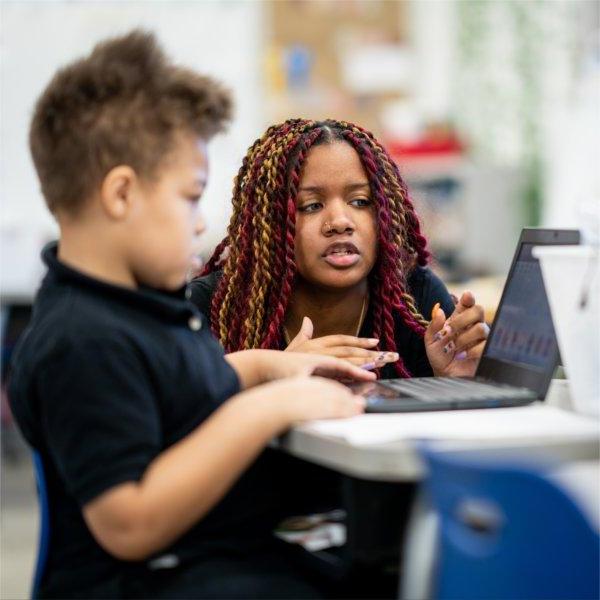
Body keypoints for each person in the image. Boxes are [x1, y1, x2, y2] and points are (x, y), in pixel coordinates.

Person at [7, 33, 375, 599]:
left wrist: (269, 367)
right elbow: (129, 523)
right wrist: (266, 409)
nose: (201, 223)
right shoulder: (85, 340)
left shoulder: (136, 309)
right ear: (121, 195)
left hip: (213, 561)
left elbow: (190, 386)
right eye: (190, 196)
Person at [190, 119, 489, 379]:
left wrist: (452, 380)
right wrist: (272, 378)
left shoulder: (414, 296)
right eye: (311, 206)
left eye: (360, 202)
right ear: (268, 222)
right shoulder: (209, 308)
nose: (340, 222)